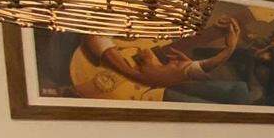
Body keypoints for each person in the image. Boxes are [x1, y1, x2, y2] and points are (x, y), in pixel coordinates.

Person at [72, 17, 249, 103]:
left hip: (154, 89)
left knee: (234, 96)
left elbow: (194, 68)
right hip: (147, 87)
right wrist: (136, 75)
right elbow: (95, 35)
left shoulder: (169, 39)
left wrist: (228, 50)